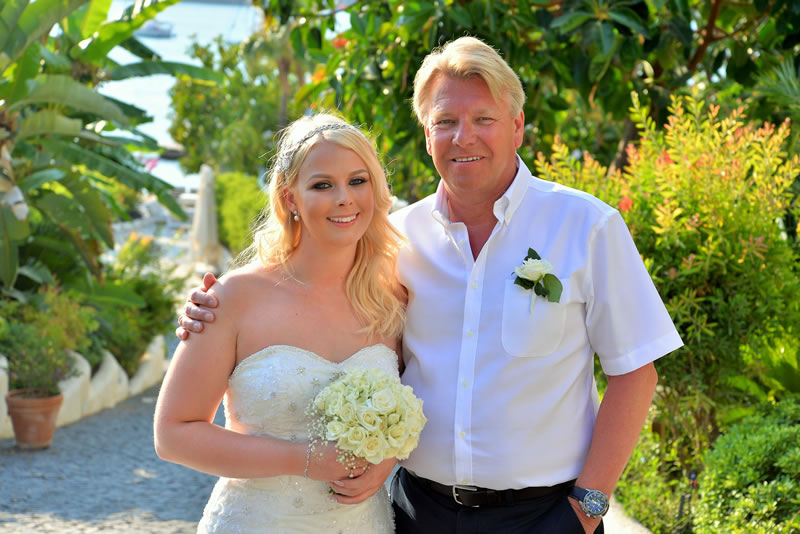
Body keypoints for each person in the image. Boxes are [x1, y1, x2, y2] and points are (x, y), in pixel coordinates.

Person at [177, 37, 683, 534]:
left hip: (545, 516)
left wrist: (586, 509)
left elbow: (636, 373)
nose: (464, 137)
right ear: (426, 134)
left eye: (483, 119)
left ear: (517, 126)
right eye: (445, 122)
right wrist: (213, 308)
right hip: (417, 513)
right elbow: (327, 311)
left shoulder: (587, 226)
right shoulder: (393, 241)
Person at [155, 113, 407, 533]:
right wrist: (303, 459)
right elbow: (173, 435)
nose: (344, 198)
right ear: (290, 198)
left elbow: (424, 400)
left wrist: (388, 457)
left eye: (357, 181)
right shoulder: (233, 298)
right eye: (322, 185)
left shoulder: (393, 299)